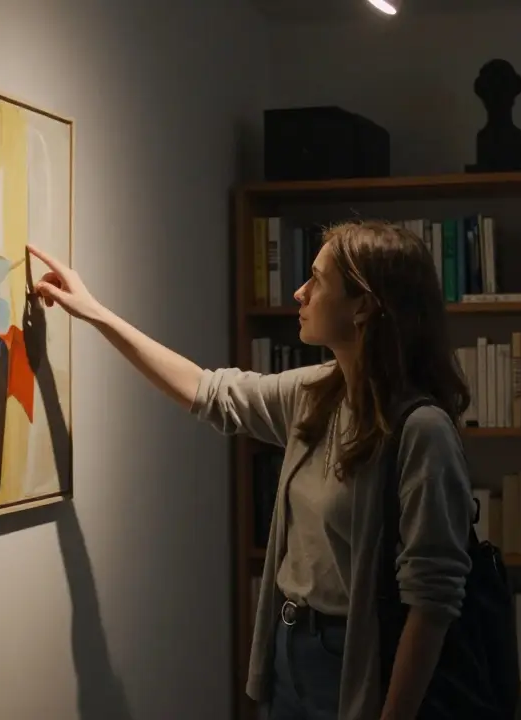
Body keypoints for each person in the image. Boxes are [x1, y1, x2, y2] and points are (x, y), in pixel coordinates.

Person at [27, 220, 477, 720]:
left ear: (363, 306)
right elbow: (209, 391)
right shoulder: (316, 395)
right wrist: (94, 313)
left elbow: (432, 602)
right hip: (291, 650)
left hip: (355, 662)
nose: (299, 292)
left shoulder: (422, 432)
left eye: (316, 280)